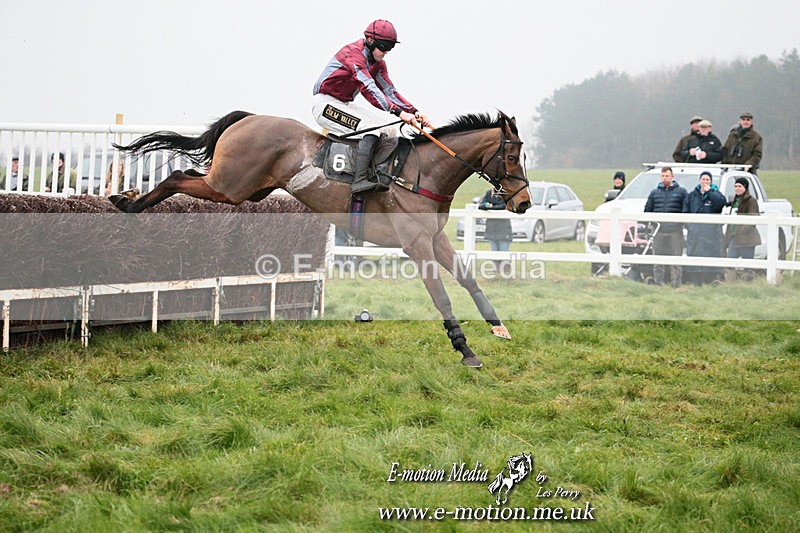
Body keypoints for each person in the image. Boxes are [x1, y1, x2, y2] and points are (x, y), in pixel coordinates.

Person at [312, 19, 432, 194]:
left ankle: (376, 173)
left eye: (389, 48)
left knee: (390, 130)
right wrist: (398, 112)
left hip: (343, 104)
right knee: (373, 130)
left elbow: (389, 91)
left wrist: (414, 111)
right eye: (383, 47)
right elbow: (369, 89)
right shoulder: (353, 54)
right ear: (370, 41)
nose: (385, 52)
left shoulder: (378, 64)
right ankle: (359, 180)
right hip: (325, 104)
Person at [644, 166, 688, 287]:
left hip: (675, 231)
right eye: (663, 176)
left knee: (676, 260)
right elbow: (648, 210)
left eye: (667, 176)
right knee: (657, 260)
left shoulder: (681, 192)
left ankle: (676, 284)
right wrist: (652, 223)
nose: (665, 178)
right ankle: (659, 283)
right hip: (659, 230)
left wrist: (680, 223)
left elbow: (686, 210)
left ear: (672, 177)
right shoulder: (654, 193)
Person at [682, 171, 727, 285]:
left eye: (707, 180)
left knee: (711, 260)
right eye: (703, 179)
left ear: (711, 182)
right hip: (695, 235)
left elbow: (720, 204)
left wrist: (710, 192)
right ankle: (696, 285)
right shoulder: (692, 196)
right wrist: (691, 227)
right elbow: (685, 213)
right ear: (700, 180)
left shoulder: (716, 194)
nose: (705, 182)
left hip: (711, 235)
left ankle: (712, 283)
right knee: (695, 261)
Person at [724, 177, 761, 282]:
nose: (737, 188)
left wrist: (741, 230)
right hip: (734, 238)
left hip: (747, 239)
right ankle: (729, 284)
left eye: (739, 186)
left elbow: (753, 219)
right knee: (730, 261)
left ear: (745, 187)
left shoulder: (751, 201)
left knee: (748, 264)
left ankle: (748, 284)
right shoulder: (735, 200)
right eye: (735, 186)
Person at [478, 189, 513, 269]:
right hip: (491, 228)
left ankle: (505, 272)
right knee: (494, 252)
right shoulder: (489, 193)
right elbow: (481, 205)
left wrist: (491, 206)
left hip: (503, 228)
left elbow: (504, 206)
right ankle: (496, 272)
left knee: (503, 252)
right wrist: (487, 205)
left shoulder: (506, 194)